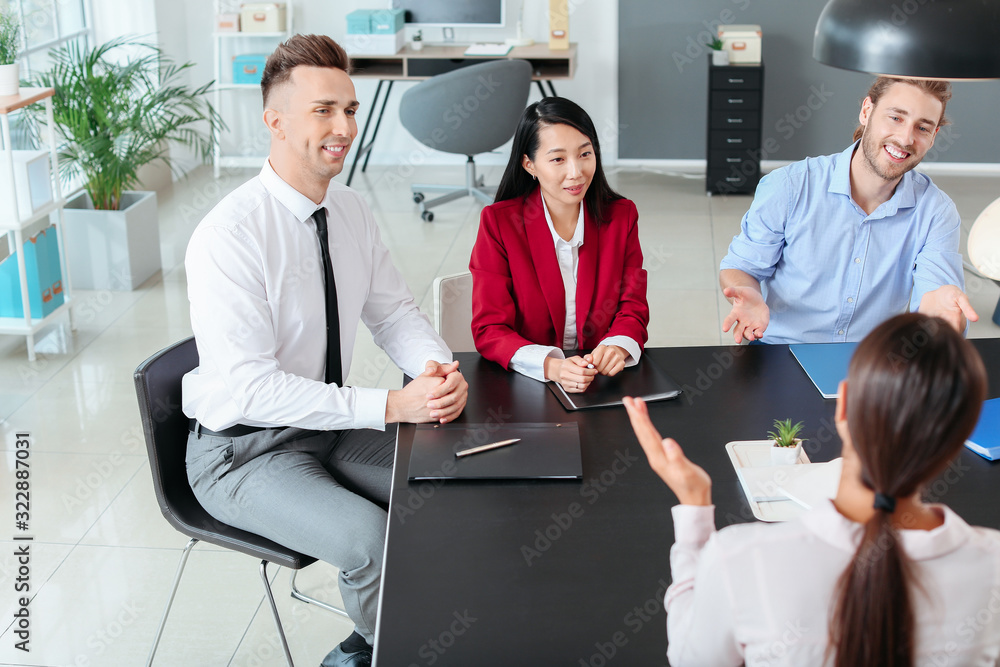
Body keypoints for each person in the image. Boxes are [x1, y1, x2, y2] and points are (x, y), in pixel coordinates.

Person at [182, 35, 467, 667]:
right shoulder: (229, 236)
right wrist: (393, 402)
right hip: (244, 451)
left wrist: (436, 368)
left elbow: (393, 310)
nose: (343, 127)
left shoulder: (351, 210)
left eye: (351, 109)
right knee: (371, 540)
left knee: (457, 479)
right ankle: (388, 651)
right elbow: (253, 389)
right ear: (274, 121)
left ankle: (383, 638)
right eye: (323, 111)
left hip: (324, 430)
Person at [624, 313, 1000, 665]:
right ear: (960, 438)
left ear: (844, 406)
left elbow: (694, 659)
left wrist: (694, 513)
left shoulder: (740, 558)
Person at [719, 76, 979, 345]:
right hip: (780, 350)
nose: (905, 138)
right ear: (867, 111)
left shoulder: (937, 211)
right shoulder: (790, 186)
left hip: (872, 361)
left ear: (934, 137)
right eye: (896, 118)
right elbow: (741, 267)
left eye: (923, 128)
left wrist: (945, 319)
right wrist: (746, 291)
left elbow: (937, 302)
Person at [469, 97, 649, 394]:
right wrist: (552, 366)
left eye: (585, 154)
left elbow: (633, 306)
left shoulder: (622, 216)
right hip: (527, 383)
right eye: (558, 159)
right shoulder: (499, 223)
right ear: (529, 164)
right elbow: (490, 328)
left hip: (600, 383)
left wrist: (617, 345)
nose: (576, 172)